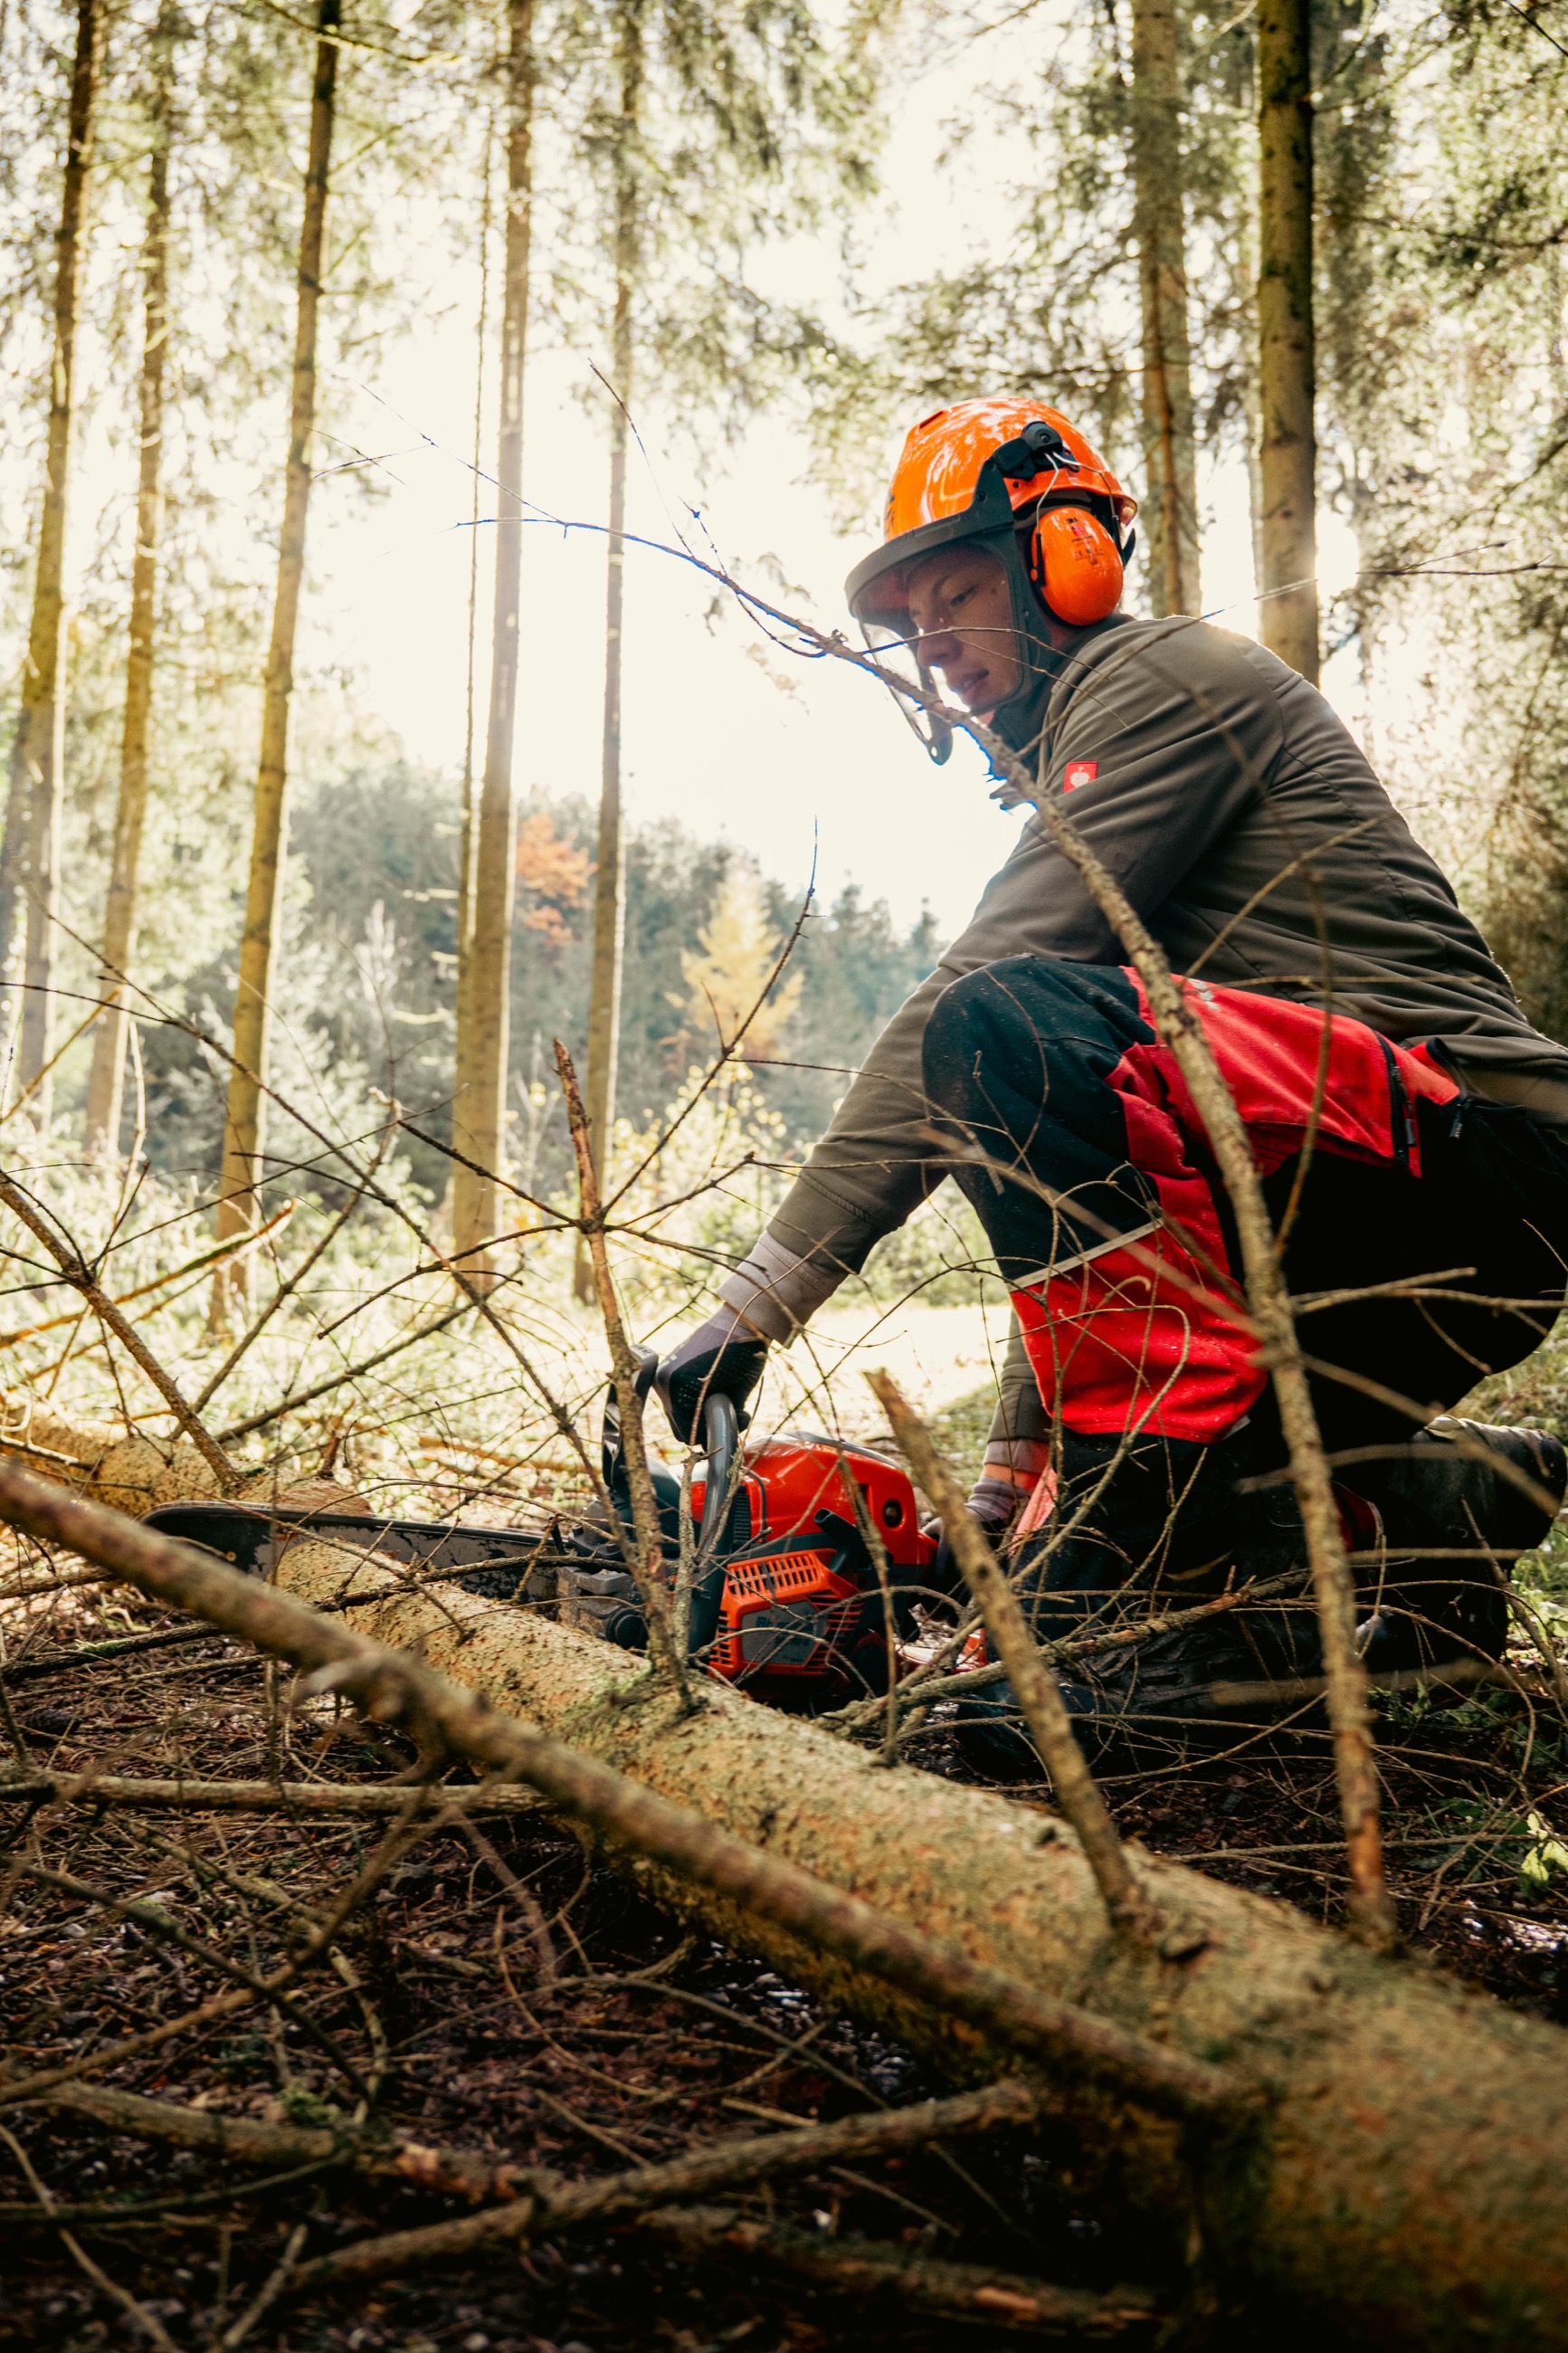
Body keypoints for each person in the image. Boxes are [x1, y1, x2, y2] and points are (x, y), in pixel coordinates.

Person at [654, 395, 1568, 1761]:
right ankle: (1444, 1503)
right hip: (1375, 1210)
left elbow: (988, 1031)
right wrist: (1018, 1488)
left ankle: (1144, 1635)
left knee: (998, 1023)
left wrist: (758, 1300)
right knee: (1211, 1491)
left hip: (1460, 1158)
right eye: (907, 627)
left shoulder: (1164, 681)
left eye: (953, 597)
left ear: (1064, 554)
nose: (933, 652)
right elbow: (1103, 1185)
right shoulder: (1101, 761)